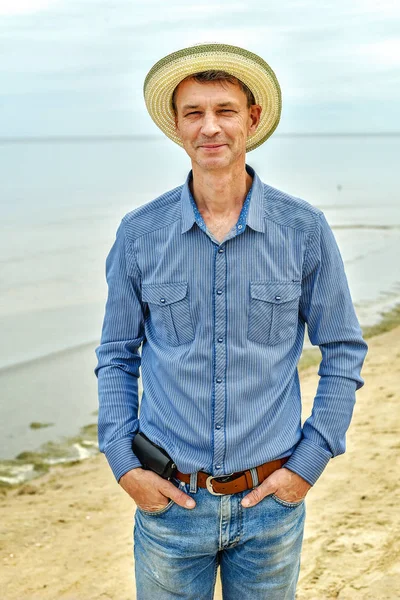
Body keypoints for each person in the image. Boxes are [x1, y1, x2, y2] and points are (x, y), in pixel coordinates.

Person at [94, 43, 368, 599]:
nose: (210, 127)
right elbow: (116, 355)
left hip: (270, 504)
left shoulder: (304, 230)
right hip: (171, 505)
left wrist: (309, 463)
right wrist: (124, 464)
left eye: (225, 110)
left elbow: (342, 349)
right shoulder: (139, 236)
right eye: (194, 112)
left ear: (253, 118)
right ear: (177, 125)